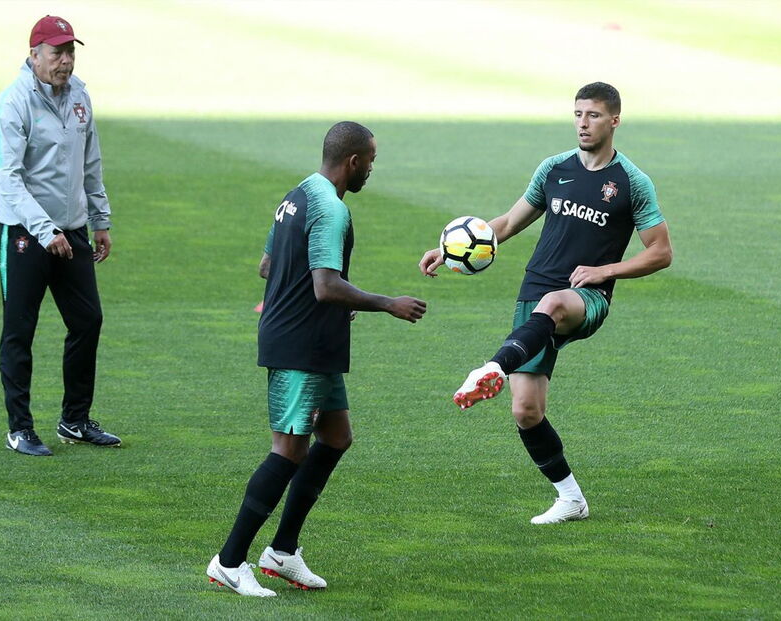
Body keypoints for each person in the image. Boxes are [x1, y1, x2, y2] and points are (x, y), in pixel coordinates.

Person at [419, 82, 672, 524]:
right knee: (526, 410)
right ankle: (571, 498)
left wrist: (605, 272)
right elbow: (510, 221)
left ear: (614, 120)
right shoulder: (554, 169)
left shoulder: (631, 182)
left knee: (554, 305)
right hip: (534, 292)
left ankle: (491, 367)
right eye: (577, 114)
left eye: (593, 115)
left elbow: (660, 252)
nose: (583, 123)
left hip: (585, 296)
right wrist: (450, 248)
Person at [207, 121, 427, 597]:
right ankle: (229, 561)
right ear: (353, 162)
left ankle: (282, 552)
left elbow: (269, 266)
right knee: (288, 450)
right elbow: (325, 285)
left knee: (336, 437)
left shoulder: (298, 194)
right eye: (370, 160)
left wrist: (320, 305)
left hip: (313, 339)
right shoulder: (331, 208)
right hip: (299, 345)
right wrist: (388, 303)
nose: (371, 168)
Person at [0, 15, 121, 456]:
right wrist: (45, 231)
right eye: (57, 52)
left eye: (70, 52)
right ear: (34, 55)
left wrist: (99, 219)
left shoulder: (79, 96)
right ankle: (19, 428)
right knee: (19, 331)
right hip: (26, 235)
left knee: (88, 321)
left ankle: (74, 420)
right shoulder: (13, 104)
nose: (65, 61)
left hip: (73, 230)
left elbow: (90, 163)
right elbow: (9, 180)